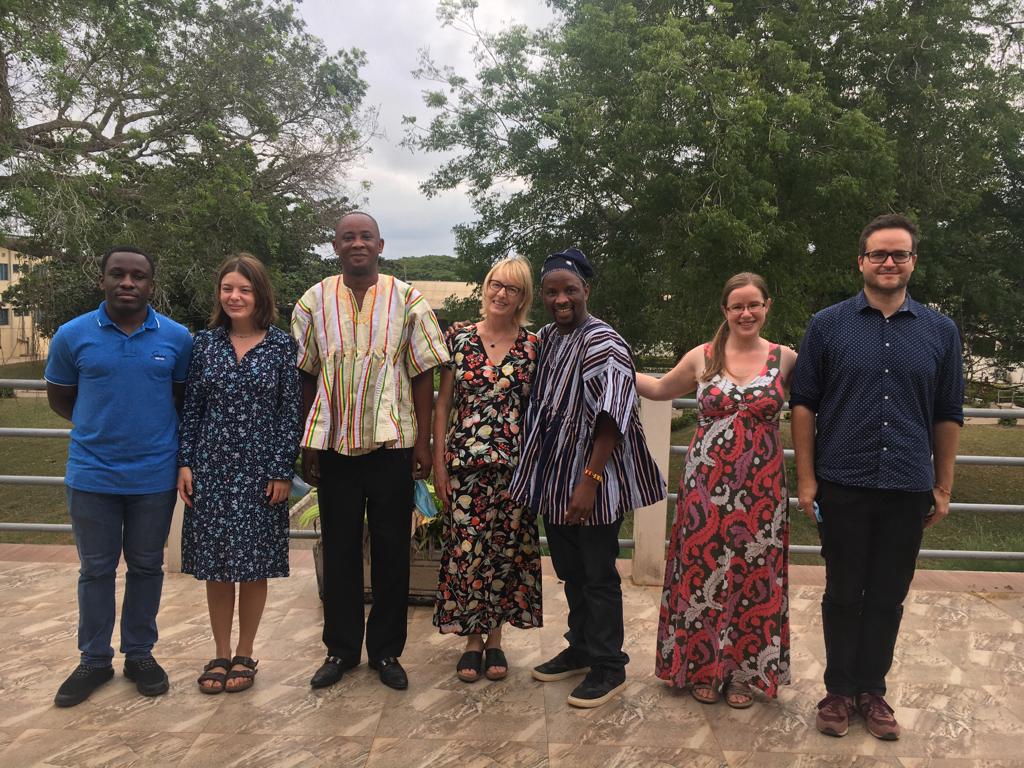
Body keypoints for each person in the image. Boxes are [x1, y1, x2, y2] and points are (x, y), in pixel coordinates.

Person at [790, 214, 964, 740]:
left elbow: (948, 412)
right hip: (842, 480)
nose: (889, 262)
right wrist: (805, 480)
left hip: (908, 483)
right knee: (843, 592)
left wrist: (943, 486)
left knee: (888, 594)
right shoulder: (827, 324)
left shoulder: (940, 331)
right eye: (879, 254)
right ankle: (838, 692)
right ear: (861, 261)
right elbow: (804, 406)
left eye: (900, 254)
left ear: (914, 261)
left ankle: (873, 691)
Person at [292, 211, 449, 691]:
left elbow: (424, 371)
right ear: (335, 246)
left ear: (380, 245)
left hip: (392, 446)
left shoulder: (408, 299)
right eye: (347, 237)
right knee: (339, 550)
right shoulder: (312, 302)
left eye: (365, 236)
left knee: (390, 552)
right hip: (335, 445)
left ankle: (386, 653)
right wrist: (309, 440)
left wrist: (421, 440)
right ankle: (340, 650)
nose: (356, 243)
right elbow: (305, 373)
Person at [509, 247, 665, 708]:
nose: (561, 299)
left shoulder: (604, 342)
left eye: (570, 290)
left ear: (586, 291)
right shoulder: (550, 338)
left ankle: (608, 665)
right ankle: (580, 646)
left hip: (592, 481)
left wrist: (590, 480)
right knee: (571, 571)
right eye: (552, 292)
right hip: (555, 478)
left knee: (598, 574)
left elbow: (612, 418)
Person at [637, 272, 797, 709]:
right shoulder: (702, 357)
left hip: (762, 491)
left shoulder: (785, 359)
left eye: (754, 304)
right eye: (737, 306)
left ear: (767, 306)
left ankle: (742, 675)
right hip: (704, 489)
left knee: (753, 576)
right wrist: (612, 364)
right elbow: (657, 388)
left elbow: (815, 407)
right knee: (700, 572)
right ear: (725, 311)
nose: (746, 313)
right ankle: (700, 667)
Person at [44, 246, 193, 707]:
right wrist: (101, 430)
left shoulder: (177, 338)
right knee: (95, 570)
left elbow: (180, 399)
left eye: (138, 277)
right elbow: (61, 400)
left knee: (147, 567)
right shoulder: (72, 336)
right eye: (118, 275)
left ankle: (140, 654)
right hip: (92, 476)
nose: (128, 283)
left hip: (153, 476)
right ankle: (93, 659)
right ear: (103, 279)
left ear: (151, 284)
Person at [177, 254, 301, 694]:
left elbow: (291, 413)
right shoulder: (204, 344)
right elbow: (191, 409)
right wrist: (185, 462)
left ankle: (246, 652)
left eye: (244, 289)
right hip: (210, 468)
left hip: (260, 472)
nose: (235, 296)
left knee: (253, 567)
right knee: (216, 567)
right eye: (228, 288)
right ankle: (220, 651)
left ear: (260, 294)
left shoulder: (282, 346)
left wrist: (282, 470)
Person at [432, 256, 542, 683]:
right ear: (485, 287)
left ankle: (494, 640)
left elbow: (536, 410)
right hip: (464, 466)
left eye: (512, 289)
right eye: (496, 284)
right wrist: (439, 463)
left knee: (505, 552)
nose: (501, 294)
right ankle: (471, 640)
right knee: (467, 551)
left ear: (522, 298)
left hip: (514, 467)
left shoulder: (533, 346)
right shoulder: (458, 337)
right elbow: (444, 404)